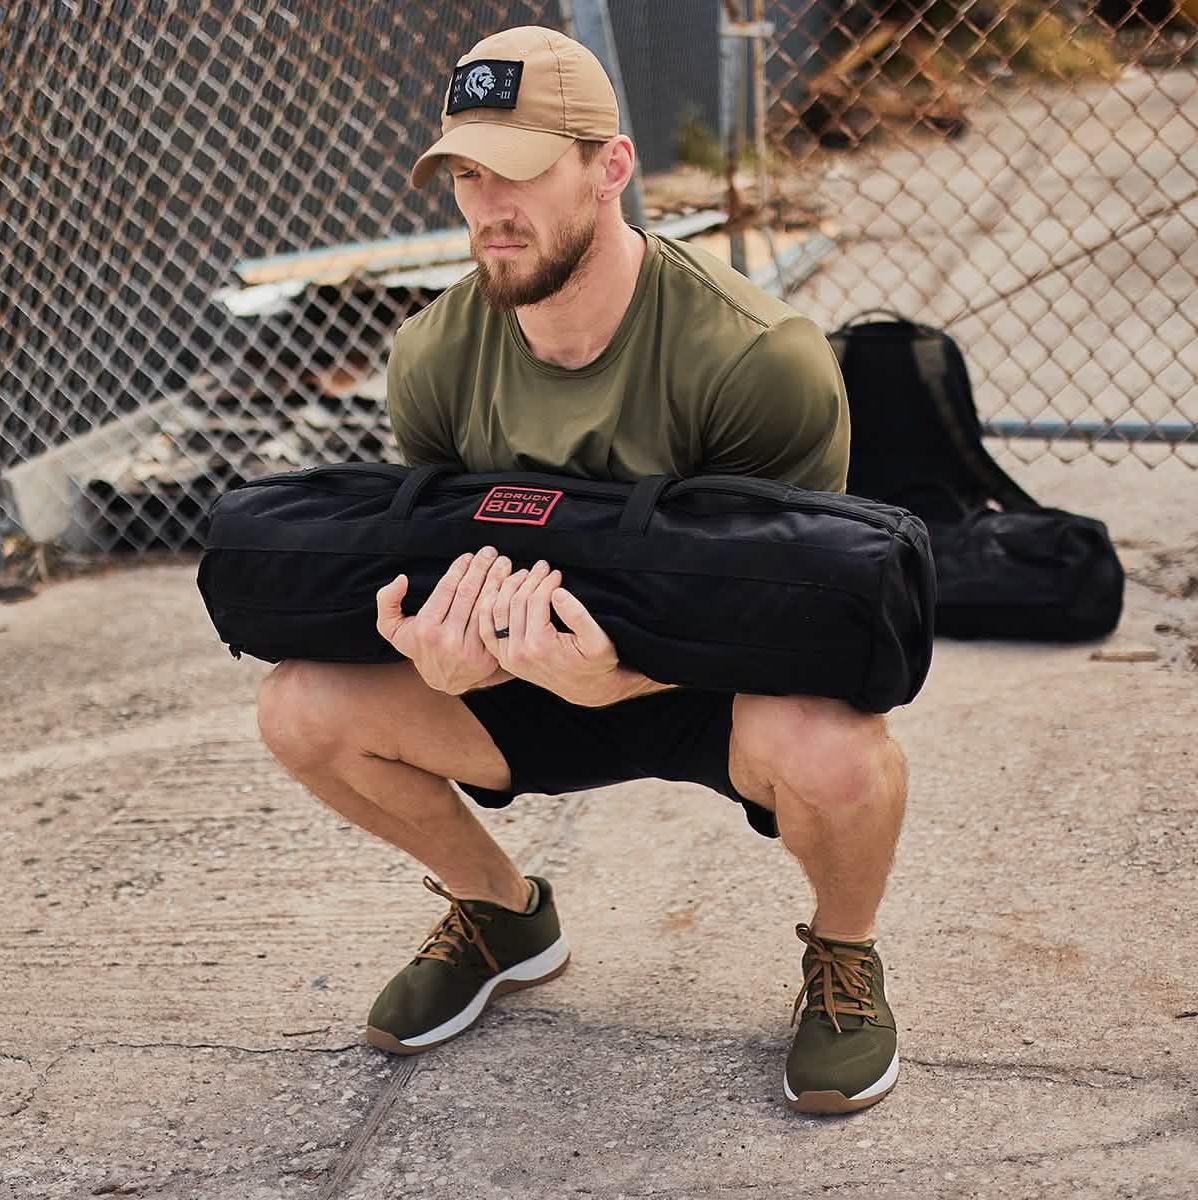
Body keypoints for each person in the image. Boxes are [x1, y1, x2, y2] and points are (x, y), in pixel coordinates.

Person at [257, 25, 908, 1116]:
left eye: (515, 169)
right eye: (464, 171)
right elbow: (438, 548)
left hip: (715, 683)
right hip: (525, 676)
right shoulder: (432, 353)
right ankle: (502, 915)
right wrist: (444, 653)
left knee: (837, 748)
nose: (484, 205)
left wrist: (626, 675)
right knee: (300, 708)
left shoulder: (759, 357)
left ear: (611, 167)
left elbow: (811, 625)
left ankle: (845, 959)